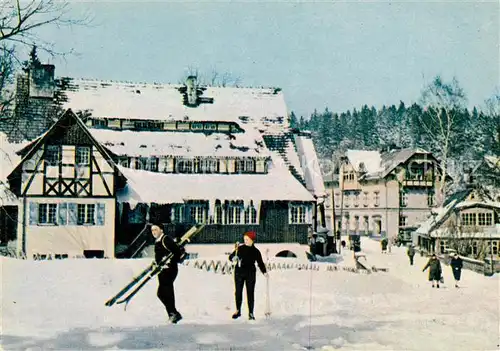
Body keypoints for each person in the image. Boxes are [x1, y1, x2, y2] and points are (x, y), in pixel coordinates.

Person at [228, 231, 268, 320]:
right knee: (238, 292)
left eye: (247, 239)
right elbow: (231, 257)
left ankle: (251, 313)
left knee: (250, 293)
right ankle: (238, 311)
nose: (245, 241)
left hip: (250, 273)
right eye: (244, 239)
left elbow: (260, 263)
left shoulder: (256, 251)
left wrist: (264, 272)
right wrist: (234, 258)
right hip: (239, 272)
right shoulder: (240, 248)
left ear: (252, 240)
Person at [151, 224, 186, 324]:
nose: (153, 232)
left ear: (161, 230)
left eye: (156, 230)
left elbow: (177, 252)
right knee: (161, 293)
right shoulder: (157, 241)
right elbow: (160, 256)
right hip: (162, 270)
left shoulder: (165, 239)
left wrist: (169, 261)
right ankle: (173, 313)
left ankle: (173, 314)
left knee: (166, 292)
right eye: (152, 230)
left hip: (169, 269)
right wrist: (156, 262)